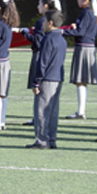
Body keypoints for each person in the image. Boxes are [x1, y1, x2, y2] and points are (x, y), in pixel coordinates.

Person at [28, 10, 67, 149]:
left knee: (42, 110)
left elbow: (43, 62)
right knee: (53, 111)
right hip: (57, 78)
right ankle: (51, 139)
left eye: (44, 21)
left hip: (47, 78)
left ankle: (42, 140)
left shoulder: (48, 38)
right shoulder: (62, 39)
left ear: (50, 23)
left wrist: (37, 81)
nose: (43, 24)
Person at [21, 0, 61, 126]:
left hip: (40, 55)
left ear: (45, 6)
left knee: (39, 88)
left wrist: (25, 33)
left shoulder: (42, 21)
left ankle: (39, 118)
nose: (37, 7)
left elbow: (37, 42)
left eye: (39, 4)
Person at [62, 0, 97, 120]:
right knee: (81, 81)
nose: (77, 0)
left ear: (86, 0)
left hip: (84, 48)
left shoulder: (86, 13)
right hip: (86, 48)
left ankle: (81, 112)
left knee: (81, 81)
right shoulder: (90, 13)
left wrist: (63, 32)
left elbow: (81, 32)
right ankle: (80, 111)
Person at [0, 0, 20, 130]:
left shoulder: (0, 24)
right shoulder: (8, 24)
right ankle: (1, 121)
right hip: (5, 61)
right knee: (3, 93)